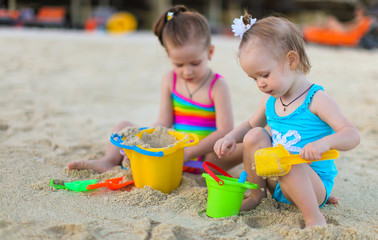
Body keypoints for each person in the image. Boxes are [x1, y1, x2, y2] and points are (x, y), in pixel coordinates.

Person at [214, 13, 360, 228]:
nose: (260, 84)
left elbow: (352, 135)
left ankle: (314, 218)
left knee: (288, 162)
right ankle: (256, 195)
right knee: (255, 134)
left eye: (264, 74)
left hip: (312, 186)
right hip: (276, 180)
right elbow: (250, 125)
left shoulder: (316, 100)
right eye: (254, 78)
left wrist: (323, 143)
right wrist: (230, 137)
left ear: (291, 60)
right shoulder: (270, 101)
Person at [68, 5, 242, 173]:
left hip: (205, 155)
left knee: (237, 146)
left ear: (209, 52)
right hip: (173, 151)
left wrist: (189, 152)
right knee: (123, 126)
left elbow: (225, 130)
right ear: (169, 56)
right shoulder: (170, 79)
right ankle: (108, 161)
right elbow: (163, 122)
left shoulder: (217, 85)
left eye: (195, 63)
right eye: (179, 64)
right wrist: (146, 142)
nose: (187, 71)